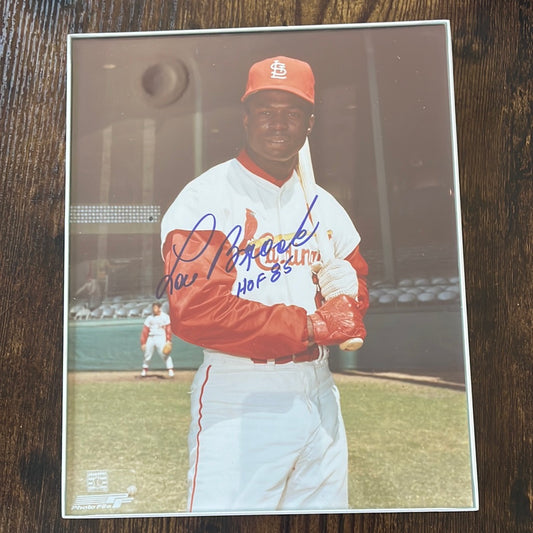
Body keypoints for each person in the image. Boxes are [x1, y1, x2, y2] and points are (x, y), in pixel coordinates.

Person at [159, 56, 369, 512]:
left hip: (320, 390)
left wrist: (348, 292)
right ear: (246, 116)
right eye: (266, 110)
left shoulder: (325, 207)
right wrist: (312, 325)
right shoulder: (205, 198)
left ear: (309, 122)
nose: (278, 123)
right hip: (241, 394)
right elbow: (197, 313)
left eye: (291, 112)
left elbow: (354, 297)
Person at [140, 302, 174, 377]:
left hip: (161, 337)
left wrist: (168, 340)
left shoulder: (165, 317)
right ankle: (144, 370)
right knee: (147, 354)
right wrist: (143, 342)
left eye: (155, 307)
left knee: (164, 354)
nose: (154, 309)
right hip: (151, 337)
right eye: (153, 308)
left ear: (159, 308)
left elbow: (168, 329)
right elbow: (145, 331)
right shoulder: (149, 318)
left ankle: (170, 370)